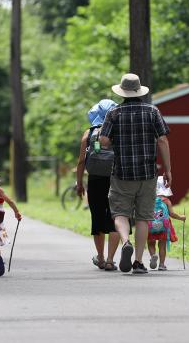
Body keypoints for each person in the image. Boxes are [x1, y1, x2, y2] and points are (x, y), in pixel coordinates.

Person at [99, 73, 172, 274]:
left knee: (120, 213)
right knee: (143, 218)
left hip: (122, 173)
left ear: (122, 92)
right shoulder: (152, 111)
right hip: (148, 173)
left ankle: (125, 242)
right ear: (139, 90)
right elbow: (163, 140)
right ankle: (139, 262)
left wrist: (115, 140)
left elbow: (103, 142)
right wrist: (168, 169)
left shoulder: (114, 113)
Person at [76, 99, 121, 271]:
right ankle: (110, 259)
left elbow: (81, 162)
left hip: (94, 180)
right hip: (115, 179)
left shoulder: (88, 134)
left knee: (97, 219)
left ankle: (100, 258)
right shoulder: (118, 132)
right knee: (116, 217)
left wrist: (79, 183)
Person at [147, 176, 185, 271]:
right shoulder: (166, 201)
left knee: (151, 243)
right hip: (164, 225)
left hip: (150, 224)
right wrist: (181, 217)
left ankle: (153, 256)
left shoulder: (149, 199)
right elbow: (172, 214)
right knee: (162, 245)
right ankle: (162, 264)